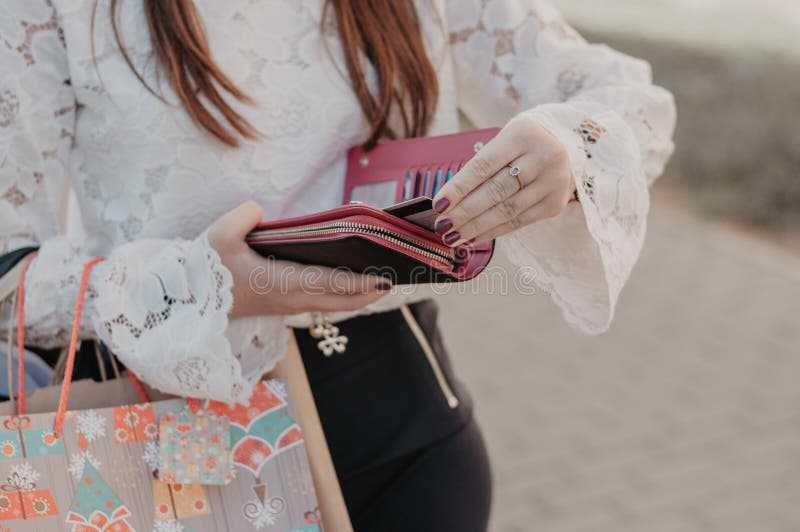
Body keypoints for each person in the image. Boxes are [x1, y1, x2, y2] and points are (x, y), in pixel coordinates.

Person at [0, 1, 675, 530]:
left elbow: (622, 99)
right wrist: (196, 285)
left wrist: (569, 145)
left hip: (407, 436)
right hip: (172, 441)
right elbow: (10, 274)